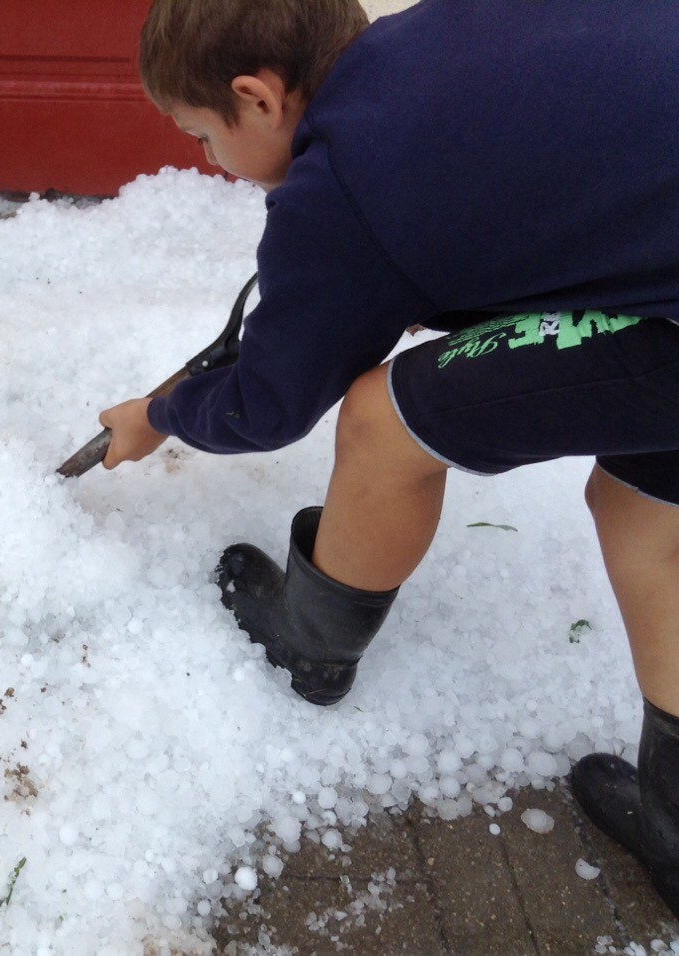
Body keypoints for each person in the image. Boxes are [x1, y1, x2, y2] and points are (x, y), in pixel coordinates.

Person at [97, 0, 679, 917]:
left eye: (202, 135)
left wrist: (161, 413)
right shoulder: (426, 43)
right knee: (649, 512)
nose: (206, 159)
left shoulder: (346, 188)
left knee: (384, 416)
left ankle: (310, 644)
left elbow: (266, 405)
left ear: (257, 99)